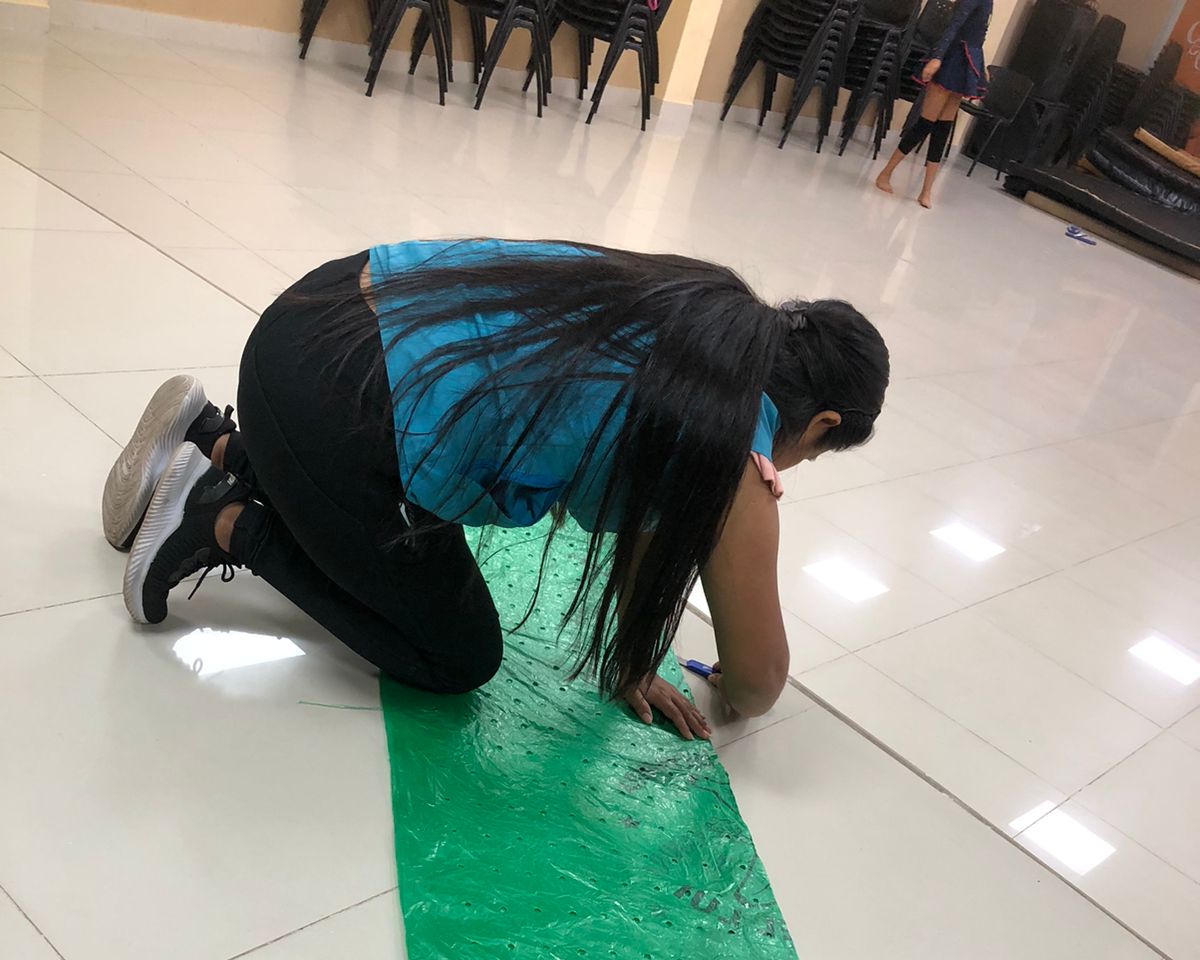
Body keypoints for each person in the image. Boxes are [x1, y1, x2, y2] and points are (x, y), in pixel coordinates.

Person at [103, 241, 888, 740]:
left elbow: (651, 516)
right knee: (458, 656)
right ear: (820, 425)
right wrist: (725, 682)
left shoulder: (700, 307)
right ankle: (221, 519)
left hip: (307, 322)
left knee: (389, 497)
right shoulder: (736, 455)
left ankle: (215, 438)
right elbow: (757, 682)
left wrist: (634, 653)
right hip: (339, 415)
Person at [875, 0, 993, 209]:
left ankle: (927, 190)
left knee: (943, 128)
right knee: (925, 124)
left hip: (966, 61)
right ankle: (885, 173)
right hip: (952, 59)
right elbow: (955, 25)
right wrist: (937, 58)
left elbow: (979, 33)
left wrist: (979, 65)